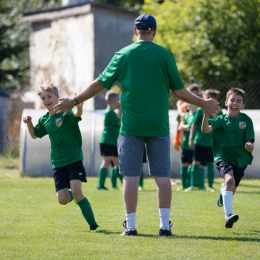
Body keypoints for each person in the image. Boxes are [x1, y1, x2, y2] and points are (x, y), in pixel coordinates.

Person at [53, 14, 219, 236]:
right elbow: (179, 91)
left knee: (130, 177)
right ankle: (164, 226)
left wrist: (73, 101)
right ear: (154, 32)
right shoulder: (165, 55)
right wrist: (203, 103)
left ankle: (131, 226)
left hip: (130, 126)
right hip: (158, 126)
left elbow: (99, 84)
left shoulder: (123, 54)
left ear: (135, 31)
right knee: (162, 177)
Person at [23, 80, 100, 232]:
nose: (46, 100)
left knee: (78, 192)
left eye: (49, 96)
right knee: (63, 200)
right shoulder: (44, 120)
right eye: (43, 98)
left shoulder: (67, 112)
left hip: (74, 159)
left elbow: (77, 113)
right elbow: (34, 135)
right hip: (58, 163)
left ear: (57, 96)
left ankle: (93, 226)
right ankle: (72, 194)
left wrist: (79, 106)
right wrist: (29, 123)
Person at [202, 88, 254, 228]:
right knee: (230, 180)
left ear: (243, 105)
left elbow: (250, 140)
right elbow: (206, 129)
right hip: (223, 156)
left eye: (239, 101)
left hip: (240, 159)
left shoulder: (246, 120)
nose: (235, 103)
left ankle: (222, 192)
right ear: (226, 102)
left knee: (231, 188)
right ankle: (228, 216)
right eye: (232, 100)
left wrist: (249, 145)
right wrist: (206, 116)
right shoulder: (221, 120)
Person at [187, 89, 222, 192]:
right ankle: (193, 185)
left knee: (211, 164)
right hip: (199, 142)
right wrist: (190, 139)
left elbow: (222, 126)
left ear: (215, 100)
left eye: (208, 98)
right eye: (205, 97)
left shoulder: (219, 112)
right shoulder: (199, 110)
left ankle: (210, 186)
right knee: (195, 162)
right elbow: (194, 125)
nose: (205, 100)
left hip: (211, 143)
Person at [97, 90, 121, 190]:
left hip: (112, 141)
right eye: (118, 101)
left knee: (116, 163)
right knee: (107, 162)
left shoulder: (111, 112)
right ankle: (100, 185)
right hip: (108, 141)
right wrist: (120, 110)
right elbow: (119, 123)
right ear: (115, 101)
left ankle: (116, 185)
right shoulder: (110, 113)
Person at [177, 102, 197, 190]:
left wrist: (184, 127)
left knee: (190, 165)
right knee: (183, 164)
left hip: (192, 144)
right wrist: (186, 127)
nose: (187, 104)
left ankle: (190, 184)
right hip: (184, 144)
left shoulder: (197, 115)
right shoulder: (185, 115)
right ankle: (183, 184)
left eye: (189, 102)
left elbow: (193, 128)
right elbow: (179, 127)